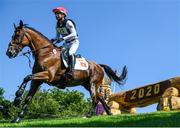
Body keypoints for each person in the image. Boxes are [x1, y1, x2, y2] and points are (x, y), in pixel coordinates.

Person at [51, 6, 79, 75]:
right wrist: (52, 40)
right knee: (58, 53)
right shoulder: (57, 25)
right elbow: (57, 37)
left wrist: (63, 38)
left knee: (70, 53)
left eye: (58, 14)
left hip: (74, 42)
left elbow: (74, 33)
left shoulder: (68, 22)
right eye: (56, 14)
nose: (56, 15)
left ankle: (71, 71)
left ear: (63, 14)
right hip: (66, 43)